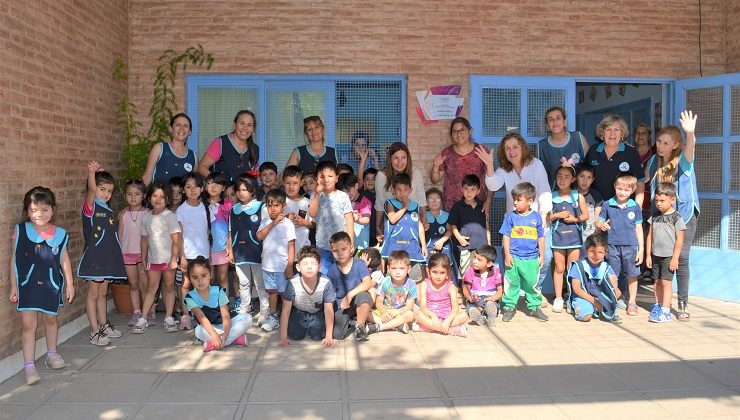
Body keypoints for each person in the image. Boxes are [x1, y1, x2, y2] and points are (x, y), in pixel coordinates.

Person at [9, 187, 75, 385]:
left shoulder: (61, 234)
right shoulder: (20, 231)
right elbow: (13, 259)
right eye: (34, 210)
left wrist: (69, 284)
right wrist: (14, 286)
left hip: (51, 285)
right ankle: (29, 366)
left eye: (45, 209)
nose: (39, 214)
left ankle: (51, 354)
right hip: (27, 285)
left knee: (50, 320)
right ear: (27, 211)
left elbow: (64, 259)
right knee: (28, 325)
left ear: (53, 209)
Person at [477, 132, 552, 303]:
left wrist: (542, 216)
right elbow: (493, 184)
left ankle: (534, 289)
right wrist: (489, 165)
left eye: (515, 147)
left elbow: (544, 191)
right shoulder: (504, 169)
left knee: (544, 257)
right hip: (514, 223)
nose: (511, 152)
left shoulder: (536, 165)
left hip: (535, 221)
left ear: (523, 147)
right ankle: (513, 295)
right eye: (507, 148)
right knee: (511, 260)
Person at [644, 111, 699, 321]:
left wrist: (690, 133)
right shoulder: (652, 162)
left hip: (683, 216)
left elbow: (690, 147)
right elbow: (644, 183)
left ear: (676, 145)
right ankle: (661, 303)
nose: (660, 146)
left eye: (666, 143)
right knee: (660, 257)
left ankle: (682, 302)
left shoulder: (683, 161)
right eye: (659, 141)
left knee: (681, 258)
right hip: (659, 218)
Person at [77, 161, 126, 346]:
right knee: (93, 294)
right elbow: (90, 190)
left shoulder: (107, 208)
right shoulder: (90, 207)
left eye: (109, 191)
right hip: (94, 260)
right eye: (102, 189)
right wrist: (91, 173)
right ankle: (94, 331)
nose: (106, 194)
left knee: (103, 293)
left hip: (107, 259)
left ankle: (104, 325)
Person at [132, 182, 181, 334]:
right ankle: (143, 319)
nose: (158, 200)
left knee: (169, 287)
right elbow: (144, 240)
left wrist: (174, 259)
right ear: (149, 197)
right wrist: (143, 259)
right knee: (151, 288)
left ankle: (168, 318)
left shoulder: (170, 216)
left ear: (167, 200)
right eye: (155, 196)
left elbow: (176, 239)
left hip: (168, 260)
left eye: (162, 197)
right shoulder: (146, 217)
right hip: (153, 261)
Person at [596, 172, 644, 316]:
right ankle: (612, 300)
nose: (622, 192)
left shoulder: (635, 206)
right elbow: (599, 221)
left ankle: (632, 302)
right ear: (615, 187)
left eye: (626, 189)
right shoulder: (607, 204)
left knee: (632, 274)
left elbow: (638, 228)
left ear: (632, 190)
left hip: (631, 246)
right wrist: (602, 225)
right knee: (612, 275)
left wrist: (641, 249)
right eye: (620, 188)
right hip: (612, 246)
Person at [499, 182, 548, 322]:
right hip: (513, 258)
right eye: (514, 199)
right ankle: (509, 307)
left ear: (530, 201)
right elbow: (506, 236)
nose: (515, 202)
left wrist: (542, 256)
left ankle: (534, 307)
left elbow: (541, 238)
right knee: (511, 283)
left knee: (532, 283)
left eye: (518, 200)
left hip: (532, 258)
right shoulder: (510, 217)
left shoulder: (536, 217)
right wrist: (507, 255)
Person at [185, 256, 251, 352]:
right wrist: (214, 335)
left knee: (247, 318)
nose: (200, 281)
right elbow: (201, 318)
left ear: (211, 275)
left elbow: (226, 316)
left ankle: (217, 342)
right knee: (198, 330)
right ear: (190, 279)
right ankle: (234, 339)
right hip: (209, 327)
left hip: (226, 325)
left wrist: (225, 335)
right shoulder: (190, 297)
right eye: (195, 277)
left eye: (204, 276)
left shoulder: (219, 291)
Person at [228, 175, 269, 322]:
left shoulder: (261, 207)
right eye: (238, 190)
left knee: (260, 283)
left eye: (244, 190)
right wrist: (230, 250)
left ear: (252, 191)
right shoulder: (234, 209)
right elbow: (231, 231)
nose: (241, 193)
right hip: (239, 252)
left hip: (257, 251)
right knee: (243, 282)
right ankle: (245, 308)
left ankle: (265, 310)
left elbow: (267, 230)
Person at [548, 164, 589, 313]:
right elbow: (547, 217)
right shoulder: (551, 196)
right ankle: (558, 298)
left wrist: (575, 219)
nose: (562, 180)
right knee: (559, 268)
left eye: (566, 177)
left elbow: (586, 215)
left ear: (572, 179)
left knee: (571, 268)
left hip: (574, 238)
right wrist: (557, 215)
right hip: (557, 238)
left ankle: (572, 297)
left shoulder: (578, 196)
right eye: (559, 176)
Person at [430, 117, 492, 211]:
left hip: (476, 206)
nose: (458, 134)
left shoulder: (481, 151)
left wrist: (488, 200)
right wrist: (435, 167)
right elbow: (435, 180)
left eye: (462, 130)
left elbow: (492, 180)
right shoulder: (446, 153)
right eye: (455, 132)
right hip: (452, 207)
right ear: (451, 134)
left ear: (470, 131)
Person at [256, 189, 296, 332]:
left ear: (283, 206)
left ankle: (287, 317)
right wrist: (273, 224)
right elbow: (259, 236)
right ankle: (273, 317)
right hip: (268, 266)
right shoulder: (265, 221)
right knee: (272, 293)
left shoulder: (288, 224)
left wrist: (290, 265)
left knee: (284, 293)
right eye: (269, 206)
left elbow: (291, 246)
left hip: (282, 267)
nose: (272, 209)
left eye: (276, 205)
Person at [279, 246, 336, 347]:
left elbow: (328, 310)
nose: (309, 267)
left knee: (317, 336)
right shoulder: (292, 283)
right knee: (295, 336)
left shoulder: (326, 282)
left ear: (319, 267)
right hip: (298, 311)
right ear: (298, 267)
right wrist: (283, 337)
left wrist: (328, 336)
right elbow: (286, 310)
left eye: (313, 264)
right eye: (305, 264)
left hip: (318, 312)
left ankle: (313, 327)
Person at [645, 183, 686, 323]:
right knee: (656, 282)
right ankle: (658, 305)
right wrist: (648, 255)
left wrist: (675, 258)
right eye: (656, 201)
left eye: (662, 201)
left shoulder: (677, 218)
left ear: (672, 200)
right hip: (656, 255)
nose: (659, 204)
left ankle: (666, 311)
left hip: (669, 256)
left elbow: (680, 240)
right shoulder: (654, 216)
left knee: (666, 283)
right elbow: (650, 235)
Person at [584, 114, 645, 205]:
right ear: (602, 133)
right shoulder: (593, 150)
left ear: (622, 133)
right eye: (608, 129)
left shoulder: (631, 153)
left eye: (616, 130)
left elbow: (639, 182)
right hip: (596, 206)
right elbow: (584, 177)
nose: (612, 133)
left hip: (623, 208)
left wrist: (637, 207)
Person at [176, 173, 210, 331]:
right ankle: (185, 315)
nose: (193, 190)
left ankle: (202, 314)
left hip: (204, 253)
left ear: (202, 188)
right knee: (186, 284)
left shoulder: (205, 206)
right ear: (183, 190)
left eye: (196, 186)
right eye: (188, 187)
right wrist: (182, 257)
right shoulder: (181, 210)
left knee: (203, 284)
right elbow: (179, 237)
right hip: (188, 255)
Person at [374, 142, 427, 242]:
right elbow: (380, 202)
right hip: (392, 225)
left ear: (408, 158)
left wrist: (424, 218)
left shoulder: (416, 173)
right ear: (390, 159)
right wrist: (378, 226)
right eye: (395, 158)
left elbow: (421, 198)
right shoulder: (382, 176)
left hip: (413, 223)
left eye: (403, 157)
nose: (400, 162)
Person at [308, 161, 354, 274]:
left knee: (342, 273)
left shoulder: (343, 196)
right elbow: (312, 214)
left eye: (330, 176)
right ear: (317, 179)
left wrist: (351, 241)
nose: (326, 179)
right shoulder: (315, 195)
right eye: (322, 176)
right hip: (323, 246)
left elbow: (349, 220)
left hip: (342, 245)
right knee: (325, 275)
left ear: (337, 178)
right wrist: (318, 194)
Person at [326, 232, 374, 341]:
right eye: (335, 251)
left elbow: (368, 282)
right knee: (337, 334)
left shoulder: (359, 263)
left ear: (351, 247)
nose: (340, 253)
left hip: (357, 298)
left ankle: (360, 326)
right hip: (342, 304)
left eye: (343, 249)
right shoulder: (332, 271)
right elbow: (331, 295)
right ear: (331, 251)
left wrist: (349, 295)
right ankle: (352, 320)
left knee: (364, 296)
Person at [380, 173, 427, 280]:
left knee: (415, 278)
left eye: (405, 190)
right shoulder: (390, 203)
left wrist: (423, 245)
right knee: (394, 279)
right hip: (394, 247)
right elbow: (392, 219)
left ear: (411, 190)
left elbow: (419, 225)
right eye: (399, 190)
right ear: (393, 190)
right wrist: (405, 206)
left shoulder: (415, 206)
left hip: (412, 248)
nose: (402, 193)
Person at [566, 233, 622, 323]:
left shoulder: (606, 267)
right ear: (586, 250)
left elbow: (614, 288)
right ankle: (573, 304)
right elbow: (576, 289)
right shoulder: (578, 265)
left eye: (600, 252)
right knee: (586, 316)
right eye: (592, 251)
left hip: (599, 296)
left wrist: (611, 294)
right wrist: (593, 301)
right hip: (583, 296)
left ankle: (608, 310)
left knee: (617, 292)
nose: (596, 255)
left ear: (605, 252)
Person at [413, 253, 468, 336]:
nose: (438, 276)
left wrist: (448, 320)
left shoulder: (451, 286)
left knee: (464, 316)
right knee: (417, 314)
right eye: (434, 272)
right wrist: (433, 315)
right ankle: (450, 330)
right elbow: (423, 306)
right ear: (428, 271)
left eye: (442, 273)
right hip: (430, 317)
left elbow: (455, 308)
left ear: (447, 273)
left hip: (447, 317)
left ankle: (426, 327)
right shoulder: (424, 284)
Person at [448, 175, 488, 283]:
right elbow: (452, 225)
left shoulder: (482, 206)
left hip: (481, 247)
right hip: (465, 247)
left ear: (478, 191)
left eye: (472, 189)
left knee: (480, 274)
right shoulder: (457, 207)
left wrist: (488, 244)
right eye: (466, 189)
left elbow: (487, 225)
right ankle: (466, 298)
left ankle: (478, 297)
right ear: (461, 189)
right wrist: (459, 237)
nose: (469, 192)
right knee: (466, 275)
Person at [119, 179, 149, 327]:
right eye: (129, 194)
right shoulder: (123, 215)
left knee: (145, 285)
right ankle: (136, 312)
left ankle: (148, 312)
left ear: (143, 196)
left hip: (143, 255)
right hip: (127, 254)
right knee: (133, 284)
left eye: (137, 194)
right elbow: (120, 235)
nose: (133, 197)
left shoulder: (148, 213)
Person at [198, 110, 260, 180]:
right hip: (223, 190)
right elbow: (201, 167)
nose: (245, 128)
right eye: (242, 123)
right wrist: (218, 182)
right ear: (235, 124)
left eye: (249, 125)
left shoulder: (255, 149)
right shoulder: (220, 143)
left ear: (253, 129)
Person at [537, 106, 590, 187]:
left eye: (558, 118)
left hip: (578, 195)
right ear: (547, 126)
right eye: (551, 119)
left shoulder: (578, 138)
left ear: (565, 122)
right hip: (552, 196)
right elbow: (538, 176)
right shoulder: (541, 146)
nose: (555, 122)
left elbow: (590, 167)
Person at [368, 250, 417, 335]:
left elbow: (409, 306)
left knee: (411, 315)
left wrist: (397, 312)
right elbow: (379, 302)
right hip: (385, 312)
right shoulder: (385, 281)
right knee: (367, 314)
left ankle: (379, 327)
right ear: (388, 269)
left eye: (402, 268)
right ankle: (397, 326)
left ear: (409, 269)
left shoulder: (411, 284)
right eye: (394, 268)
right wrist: (384, 312)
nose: (397, 272)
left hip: (401, 312)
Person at [142, 113, 197, 185]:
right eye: (178, 125)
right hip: (161, 196)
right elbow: (147, 178)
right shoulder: (159, 148)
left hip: (181, 197)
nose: (182, 129)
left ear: (190, 131)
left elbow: (193, 184)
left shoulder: (193, 156)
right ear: (171, 129)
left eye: (185, 126)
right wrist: (137, 193)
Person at [204, 172, 233, 292]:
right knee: (208, 278)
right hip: (206, 248)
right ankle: (208, 305)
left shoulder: (228, 205)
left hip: (223, 248)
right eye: (210, 183)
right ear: (205, 187)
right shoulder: (201, 204)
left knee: (223, 278)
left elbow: (231, 227)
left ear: (223, 188)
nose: (213, 186)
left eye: (217, 184)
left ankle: (224, 305)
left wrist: (229, 245)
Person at [462, 245, 502, 327]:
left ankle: (490, 316)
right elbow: (466, 288)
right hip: (476, 297)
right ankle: (480, 318)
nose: (475, 261)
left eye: (479, 260)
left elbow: (500, 291)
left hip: (490, 297)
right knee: (472, 307)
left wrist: (492, 298)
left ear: (489, 264)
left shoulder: (496, 272)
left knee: (490, 304)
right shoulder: (470, 271)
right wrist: (470, 298)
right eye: (475, 257)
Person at [423, 187, 455, 277]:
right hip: (429, 248)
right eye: (431, 199)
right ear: (426, 202)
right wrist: (424, 228)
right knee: (429, 270)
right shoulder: (424, 216)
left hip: (444, 247)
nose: (434, 201)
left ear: (441, 202)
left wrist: (442, 241)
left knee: (446, 270)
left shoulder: (447, 215)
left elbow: (450, 230)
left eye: (437, 199)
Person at [338, 173, 372, 251]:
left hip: (360, 246)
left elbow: (366, 219)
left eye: (349, 190)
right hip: (343, 245)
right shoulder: (340, 202)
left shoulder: (365, 202)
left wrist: (357, 220)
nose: (347, 195)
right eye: (343, 192)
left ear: (356, 186)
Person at [283, 165, 313, 251]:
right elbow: (271, 222)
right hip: (283, 250)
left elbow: (315, 224)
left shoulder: (308, 202)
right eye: (288, 183)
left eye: (295, 183)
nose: (291, 187)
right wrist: (285, 218)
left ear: (301, 183)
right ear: (283, 183)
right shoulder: (279, 201)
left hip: (303, 249)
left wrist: (304, 222)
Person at [575, 164, 603, 244]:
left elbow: (597, 216)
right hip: (575, 235)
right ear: (576, 177)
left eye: (589, 177)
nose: (585, 181)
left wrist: (598, 236)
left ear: (593, 179)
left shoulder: (596, 195)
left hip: (590, 235)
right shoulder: (572, 193)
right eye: (582, 176)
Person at [361, 168, 378, 247]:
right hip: (366, 231)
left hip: (378, 230)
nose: (370, 181)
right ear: (364, 182)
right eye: (367, 179)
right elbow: (359, 177)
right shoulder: (363, 194)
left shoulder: (380, 195)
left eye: (373, 179)